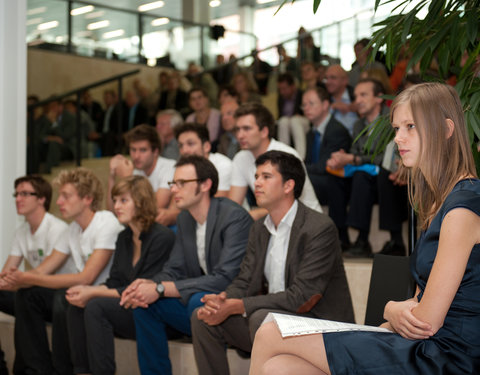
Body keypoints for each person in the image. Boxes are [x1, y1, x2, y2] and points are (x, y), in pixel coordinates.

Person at [249, 82, 480, 375]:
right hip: (428, 346)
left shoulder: (463, 207)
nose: (398, 138)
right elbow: (421, 300)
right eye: (397, 128)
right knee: (280, 367)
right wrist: (392, 316)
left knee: (271, 333)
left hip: (447, 358)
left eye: (410, 126)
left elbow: (425, 321)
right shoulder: (440, 203)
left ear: (446, 130)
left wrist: (390, 310)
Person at [191, 151, 354, 375]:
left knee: (263, 318)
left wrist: (239, 305)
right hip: (272, 321)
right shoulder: (259, 228)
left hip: (319, 327)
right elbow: (245, 279)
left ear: (288, 186)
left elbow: (302, 297)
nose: (256, 182)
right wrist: (223, 300)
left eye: (266, 177)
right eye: (256, 176)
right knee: (203, 318)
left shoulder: (318, 228)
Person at [119, 155, 253, 375]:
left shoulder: (234, 217)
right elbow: (174, 269)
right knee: (145, 305)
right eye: (173, 183)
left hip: (234, 307)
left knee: (194, 302)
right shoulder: (185, 218)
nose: (174, 190)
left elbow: (225, 278)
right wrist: (148, 284)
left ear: (205, 185)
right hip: (200, 301)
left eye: (182, 183)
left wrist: (161, 289)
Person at [4, 168, 124, 375]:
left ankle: (63, 370)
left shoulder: (106, 222)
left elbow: (86, 277)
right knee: (28, 295)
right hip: (82, 294)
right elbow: (43, 271)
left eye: (66, 196)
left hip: (108, 295)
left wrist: (26, 277)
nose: (58, 202)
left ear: (87, 198)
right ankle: (36, 370)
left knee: (63, 297)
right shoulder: (72, 230)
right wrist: (20, 279)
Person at [66, 176, 175, 375]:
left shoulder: (162, 237)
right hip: (129, 307)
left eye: (123, 200)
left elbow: (141, 290)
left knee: (95, 306)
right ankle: (82, 371)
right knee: (76, 305)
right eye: (115, 200)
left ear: (141, 202)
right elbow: (114, 282)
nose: (116, 206)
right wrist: (85, 292)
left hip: (154, 312)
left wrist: (91, 292)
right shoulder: (123, 237)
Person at [0, 175, 74, 374]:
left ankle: (36, 369)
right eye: (17, 194)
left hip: (59, 298)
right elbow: (6, 274)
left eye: (25, 194)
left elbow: (41, 276)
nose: (18, 199)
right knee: (20, 294)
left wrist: (16, 280)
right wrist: (10, 280)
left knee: (27, 294)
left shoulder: (57, 229)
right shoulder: (21, 232)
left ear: (42, 198)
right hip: (34, 293)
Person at [327, 78, 407, 256]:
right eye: (356, 96)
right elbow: (354, 152)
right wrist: (341, 158)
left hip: (389, 174)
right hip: (366, 176)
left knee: (376, 174)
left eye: (363, 95)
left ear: (379, 98)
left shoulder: (391, 120)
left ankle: (393, 240)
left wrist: (354, 159)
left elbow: (387, 157)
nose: (358, 100)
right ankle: (352, 239)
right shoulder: (358, 124)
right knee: (349, 176)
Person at [228, 102, 321, 220]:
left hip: (306, 220)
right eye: (237, 129)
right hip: (273, 220)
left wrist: (253, 214)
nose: (240, 135)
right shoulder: (240, 158)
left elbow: (290, 204)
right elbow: (234, 203)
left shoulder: (286, 155)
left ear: (264, 132)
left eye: (247, 129)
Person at [303, 87, 352, 249]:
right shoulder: (311, 133)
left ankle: (337, 235)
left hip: (342, 182)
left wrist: (300, 168)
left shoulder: (336, 130)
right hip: (321, 180)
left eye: (311, 103)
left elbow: (325, 166)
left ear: (325, 105)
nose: (306, 108)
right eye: (304, 105)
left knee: (301, 180)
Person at [108, 124, 178, 226]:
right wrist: (112, 176)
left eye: (143, 150)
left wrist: (128, 179)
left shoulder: (169, 167)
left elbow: (154, 208)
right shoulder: (135, 171)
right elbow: (113, 212)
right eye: (133, 150)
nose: (136, 156)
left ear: (155, 152)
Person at [175, 123, 232, 197]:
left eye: (190, 144)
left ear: (206, 146)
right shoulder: (181, 168)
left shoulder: (223, 165)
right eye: (180, 146)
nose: (184, 150)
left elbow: (220, 202)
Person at [276, 72, 310, 159]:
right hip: (287, 123)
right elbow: (280, 116)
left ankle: (300, 158)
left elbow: (306, 111)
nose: (282, 92)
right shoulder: (281, 98)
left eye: (284, 88)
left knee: (295, 120)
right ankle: (283, 155)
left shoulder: (302, 95)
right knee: (283, 121)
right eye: (280, 89)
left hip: (302, 121)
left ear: (293, 86)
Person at [324, 65, 358, 136]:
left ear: (345, 80)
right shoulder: (323, 97)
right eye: (326, 78)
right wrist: (331, 107)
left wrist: (354, 108)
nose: (328, 82)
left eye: (333, 78)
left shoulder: (356, 95)